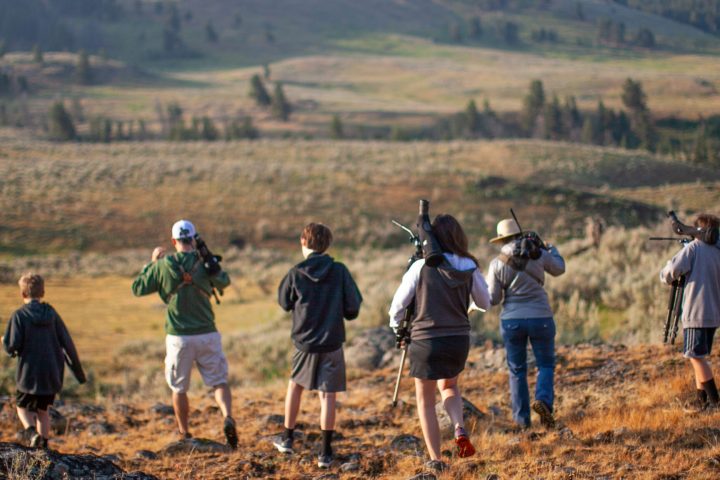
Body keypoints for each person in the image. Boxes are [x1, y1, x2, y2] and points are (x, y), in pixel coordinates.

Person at [388, 214, 490, 472]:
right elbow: (485, 302)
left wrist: (397, 327)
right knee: (450, 386)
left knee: (425, 400)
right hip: (458, 339)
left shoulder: (420, 267)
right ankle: (459, 427)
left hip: (425, 340)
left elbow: (398, 307)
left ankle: (436, 459)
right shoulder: (468, 265)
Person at [131, 219, 237, 448]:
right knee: (219, 382)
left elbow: (138, 288)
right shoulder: (206, 263)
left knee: (179, 388)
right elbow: (225, 282)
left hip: (178, 336)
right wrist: (210, 263)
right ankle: (227, 416)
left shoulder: (163, 265)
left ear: (174, 241)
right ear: (194, 238)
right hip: (207, 332)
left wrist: (152, 263)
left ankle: (184, 432)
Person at [274, 223, 362, 469]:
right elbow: (353, 307)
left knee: (295, 386)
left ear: (303, 241)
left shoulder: (296, 272)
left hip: (304, 343)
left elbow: (284, 301)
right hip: (332, 342)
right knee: (328, 396)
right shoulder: (339, 271)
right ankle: (325, 453)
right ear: (327, 245)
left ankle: (288, 438)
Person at [486, 218, 565, 430]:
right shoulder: (538, 254)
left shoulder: (496, 263)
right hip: (541, 317)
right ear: (520, 234)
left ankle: (522, 421)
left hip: (512, 321)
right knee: (546, 364)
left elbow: (493, 299)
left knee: (517, 370)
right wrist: (551, 249)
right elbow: (559, 269)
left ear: (502, 239)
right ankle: (544, 402)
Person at [3, 272, 86, 448]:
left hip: (29, 373)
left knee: (22, 407)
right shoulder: (51, 313)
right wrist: (78, 373)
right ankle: (44, 445)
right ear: (43, 293)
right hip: (52, 371)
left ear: (22, 294)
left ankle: (32, 434)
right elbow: (67, 343)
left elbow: (12, 345)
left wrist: (4, 342)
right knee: (43, 411)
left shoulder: (19, 315)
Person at [660, 213, 720, 413]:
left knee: (696, 357)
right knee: (699, 355)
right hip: (713, 314)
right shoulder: (717, 250)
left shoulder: (694, 249)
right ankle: (701, 402)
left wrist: (665, 271)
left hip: (696, 313)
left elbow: (672, 272)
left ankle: (715, 401)